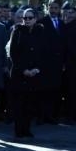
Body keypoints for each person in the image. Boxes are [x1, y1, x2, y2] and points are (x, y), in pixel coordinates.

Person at [8, 8, 47, 139]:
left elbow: (44, 52)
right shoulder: (17, 31)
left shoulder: (41, 32)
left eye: (30, 18)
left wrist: (37, 69)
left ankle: (27, 129)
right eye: (25, 18)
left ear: (35, 19)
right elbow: (13, 53)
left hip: (35, 73)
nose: (27, 20)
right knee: (19, 103)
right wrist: (23, 70)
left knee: (31, 103)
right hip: (19, 73)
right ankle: (18, 129)